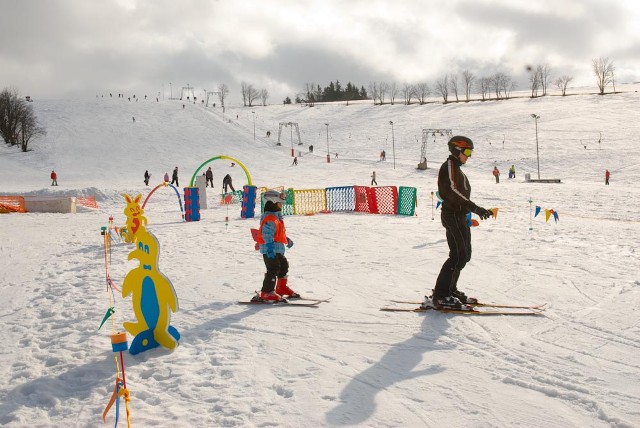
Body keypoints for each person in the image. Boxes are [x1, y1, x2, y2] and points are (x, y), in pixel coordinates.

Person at [425, 136, 494, 309]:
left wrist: (471, 209)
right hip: (452, 215)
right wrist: (475, 208)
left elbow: (459, 193)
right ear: (457, 150)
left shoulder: (456, 168)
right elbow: (452, 192)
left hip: (460, 216)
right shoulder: (449, 167)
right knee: (456, 255)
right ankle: (441, 295)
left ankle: (450, 290)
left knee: (464, 255)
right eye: (467, 152)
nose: (469, 156)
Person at [252, 190, 298, 301]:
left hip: (278, 249)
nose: (281, 206)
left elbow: (277, 233)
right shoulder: (270, 219)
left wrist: (286, 239)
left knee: (283, 266)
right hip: (270, 250)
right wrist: (269, 248)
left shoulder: (276, 218)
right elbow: (267, 234)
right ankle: (266, 292)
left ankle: (281, 288)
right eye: (279, 203)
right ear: (272, 203)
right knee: (273, 269)